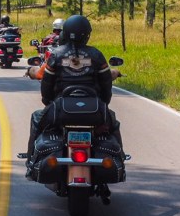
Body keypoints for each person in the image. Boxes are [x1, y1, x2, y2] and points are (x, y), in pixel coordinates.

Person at [25, 15, 123, 174]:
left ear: (65, 32)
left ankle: (30, 162)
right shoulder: (96, 55)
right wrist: (104, 104)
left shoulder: (56, 54)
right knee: (114, 123)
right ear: (87, 34)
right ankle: (121, 161)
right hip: (93, 110)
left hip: (61, 110)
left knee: (37, 119)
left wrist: (48, 102)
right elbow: (106, 83)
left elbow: (47, 84)